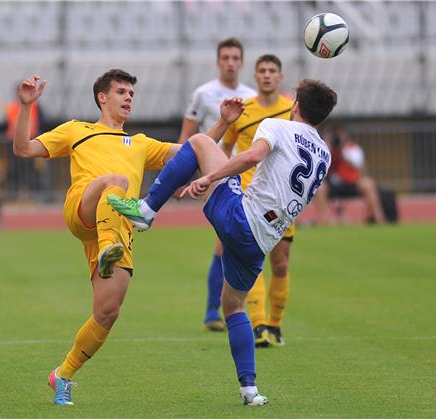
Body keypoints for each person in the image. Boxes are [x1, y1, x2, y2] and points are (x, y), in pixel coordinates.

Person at [12, 70, 243, 406]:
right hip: (83, 208)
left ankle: (62, 374)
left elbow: (193, 152)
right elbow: (22, 148)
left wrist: (222, 122)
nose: (128, 98)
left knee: (107, 312)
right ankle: (107, 245)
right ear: (102, 97)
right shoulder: (78, 130)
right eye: (121, 91)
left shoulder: (140, 143)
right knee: (115, 180)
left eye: (132, 93)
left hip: (118, 227)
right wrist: (26, 107)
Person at [108, 78, 337, 406]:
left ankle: (146, 209)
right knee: (233, 306)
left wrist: (209, 177)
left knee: (201, 141)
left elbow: (251, 157)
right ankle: (249, 390)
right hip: (263, 242)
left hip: (242, 218)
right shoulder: (325, 155)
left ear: (295, 106)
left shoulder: (278, 125)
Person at [179, 37, 256, 332]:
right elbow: (187, 136)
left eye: (236, 58)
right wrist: (180, 173)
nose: (231, 63)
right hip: (218, 174)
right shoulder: (203, 94)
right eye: (225, 57)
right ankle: (218, 309)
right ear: (217, 61)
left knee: (233, 242)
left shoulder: (251, 97)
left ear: (242, 62)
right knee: (224, 241)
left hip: (249, 175)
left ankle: (226, 306)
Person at [221, 54, 294, 348]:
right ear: (255, 76)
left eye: (272, 71)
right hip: (248, 198)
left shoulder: (291, 109)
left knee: (281, 264)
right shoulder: (243, 110)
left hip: (281, 198)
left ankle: (274, 326)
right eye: (262, 71)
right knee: (253, 262)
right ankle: (258, 324)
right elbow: (226, 148)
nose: (266, 75)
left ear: (280, 77)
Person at [314, 126, 386, 225]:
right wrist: (328, 144)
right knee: (319, 188)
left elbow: (358, 164)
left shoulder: (353, 148)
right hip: (333, 184)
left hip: (351, 183)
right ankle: (326, 218)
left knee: (368, 184)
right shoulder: (326, 148)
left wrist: (342, 150)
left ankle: (378, 218)